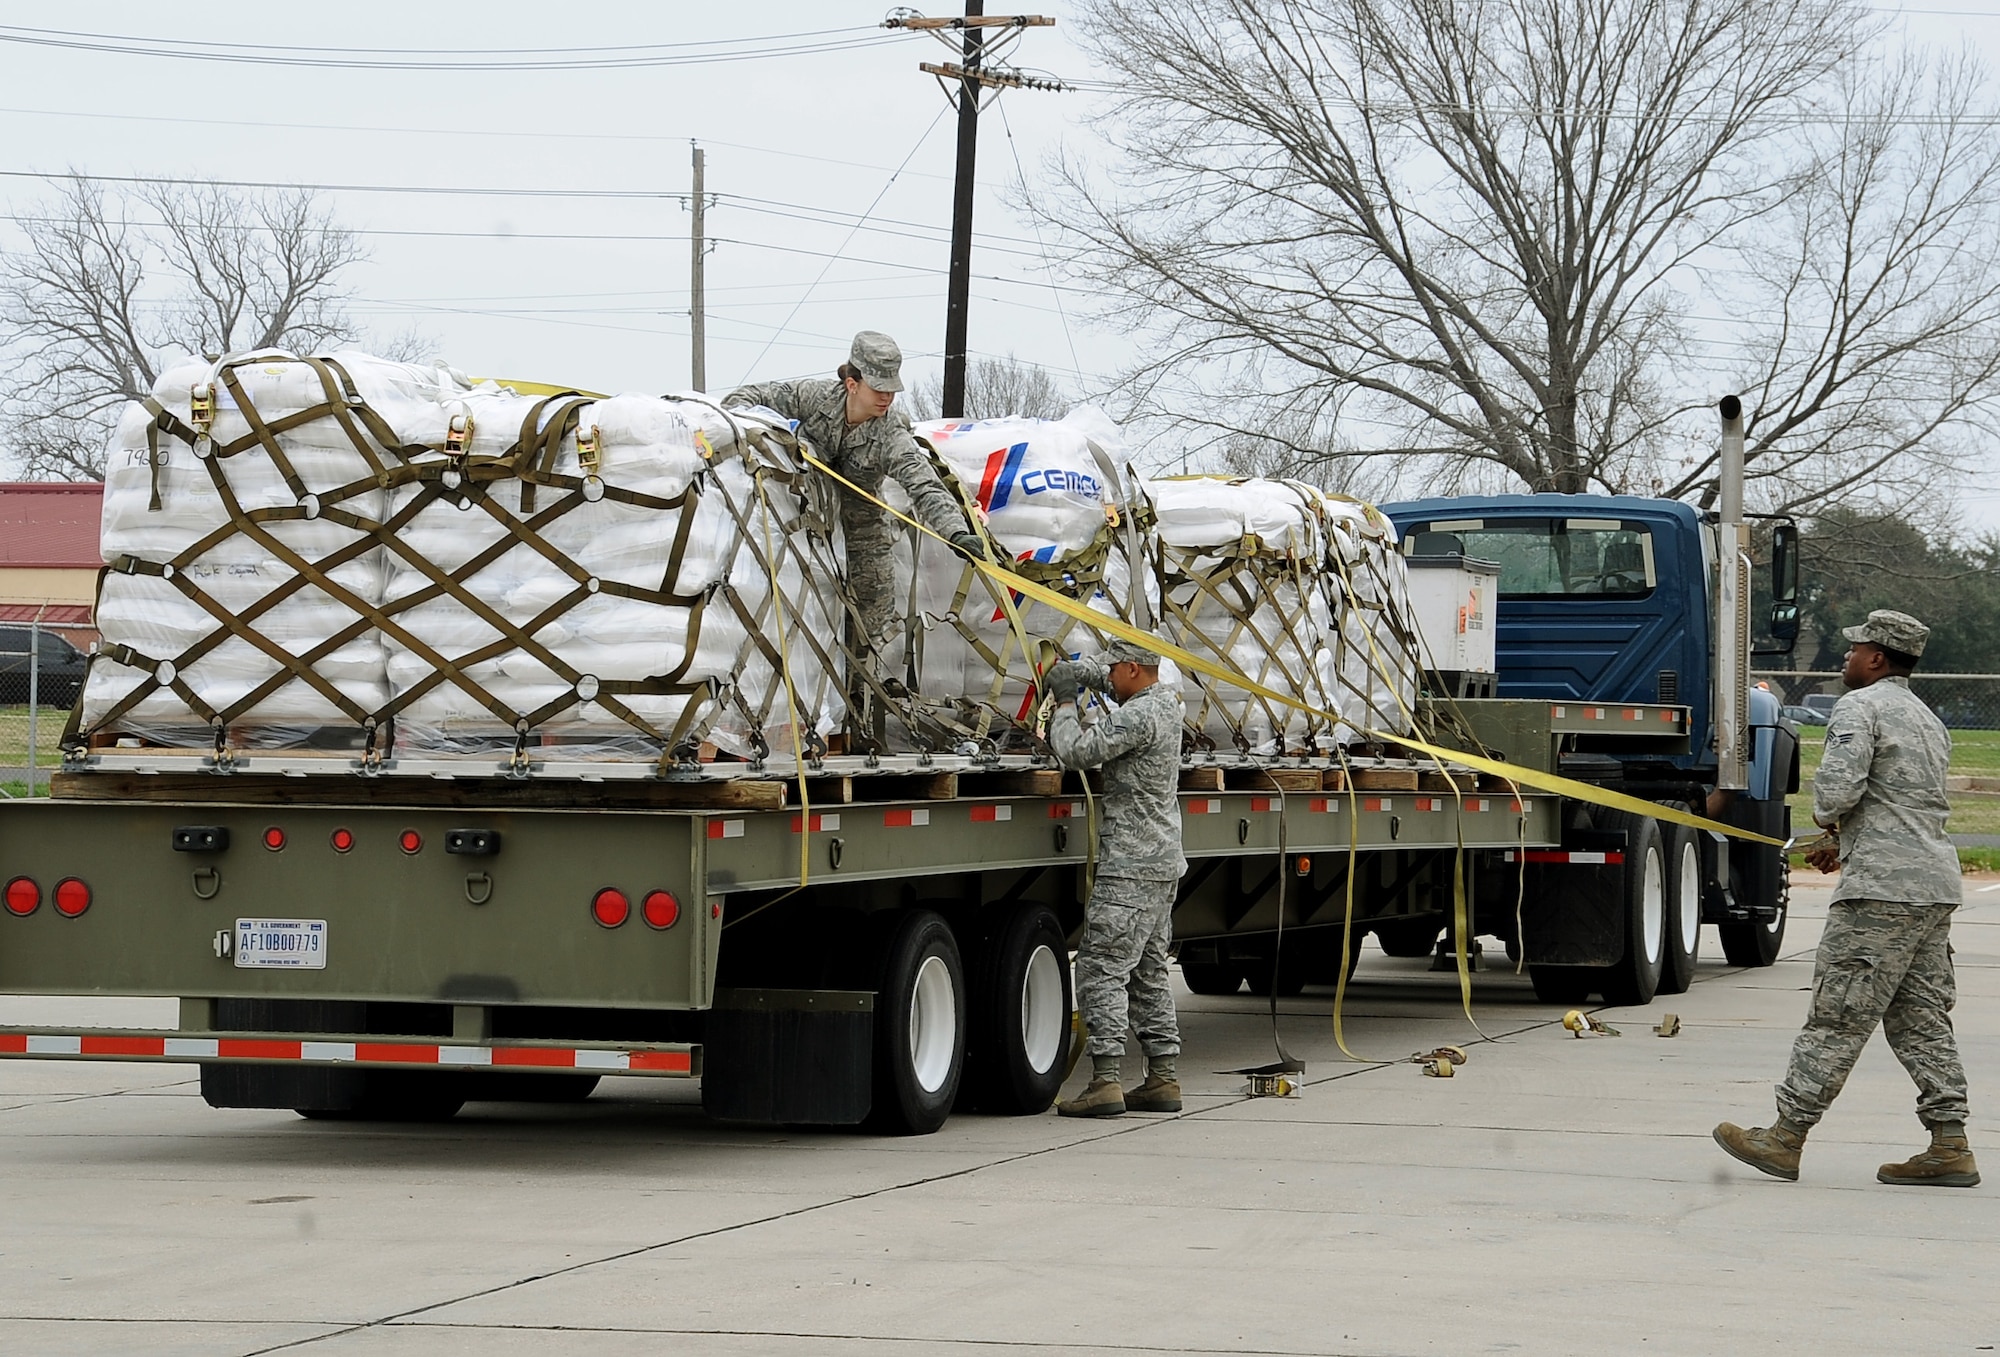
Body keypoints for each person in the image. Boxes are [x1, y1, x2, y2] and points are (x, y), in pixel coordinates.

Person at [1714, 610, 1977, 1187]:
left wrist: (1829, 823)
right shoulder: (1927, 718)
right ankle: (1949, 1143)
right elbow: (1901, 802)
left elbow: (1836, 794)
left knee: (1836, 1016)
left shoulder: (1861, 708)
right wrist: (1842, 840)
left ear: (1877, 658)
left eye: (1855, 649)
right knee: (1921, 1019)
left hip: (1880, 892)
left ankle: (1784, 1138)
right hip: (1930, 886)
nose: (1846, 657)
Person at [727, 331, 989, 652]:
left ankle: (852, 694)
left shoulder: (891, 434)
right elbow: (746, 398)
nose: (887, 398)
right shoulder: (817, 398)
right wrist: (746, 432)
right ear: (852, 384)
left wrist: (956, 533)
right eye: (878, 388)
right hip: (803, 523)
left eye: (892, 389)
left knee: (867, 626)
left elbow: (923, 483)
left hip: (861, 534)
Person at [1043, 638, 1187, 1117]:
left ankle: (1106, 1080)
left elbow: (1076, 750)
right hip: (1160, 863)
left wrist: (1065, 701)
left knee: (1100, 969)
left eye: (1113, 670)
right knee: (1147, 971)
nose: (1109, 678)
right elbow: (1112, 680)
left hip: (1130, 865)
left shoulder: (1135, 717)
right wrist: (1077, 673)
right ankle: (1162, 1077)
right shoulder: (1165, 703)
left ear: (1132, 668)